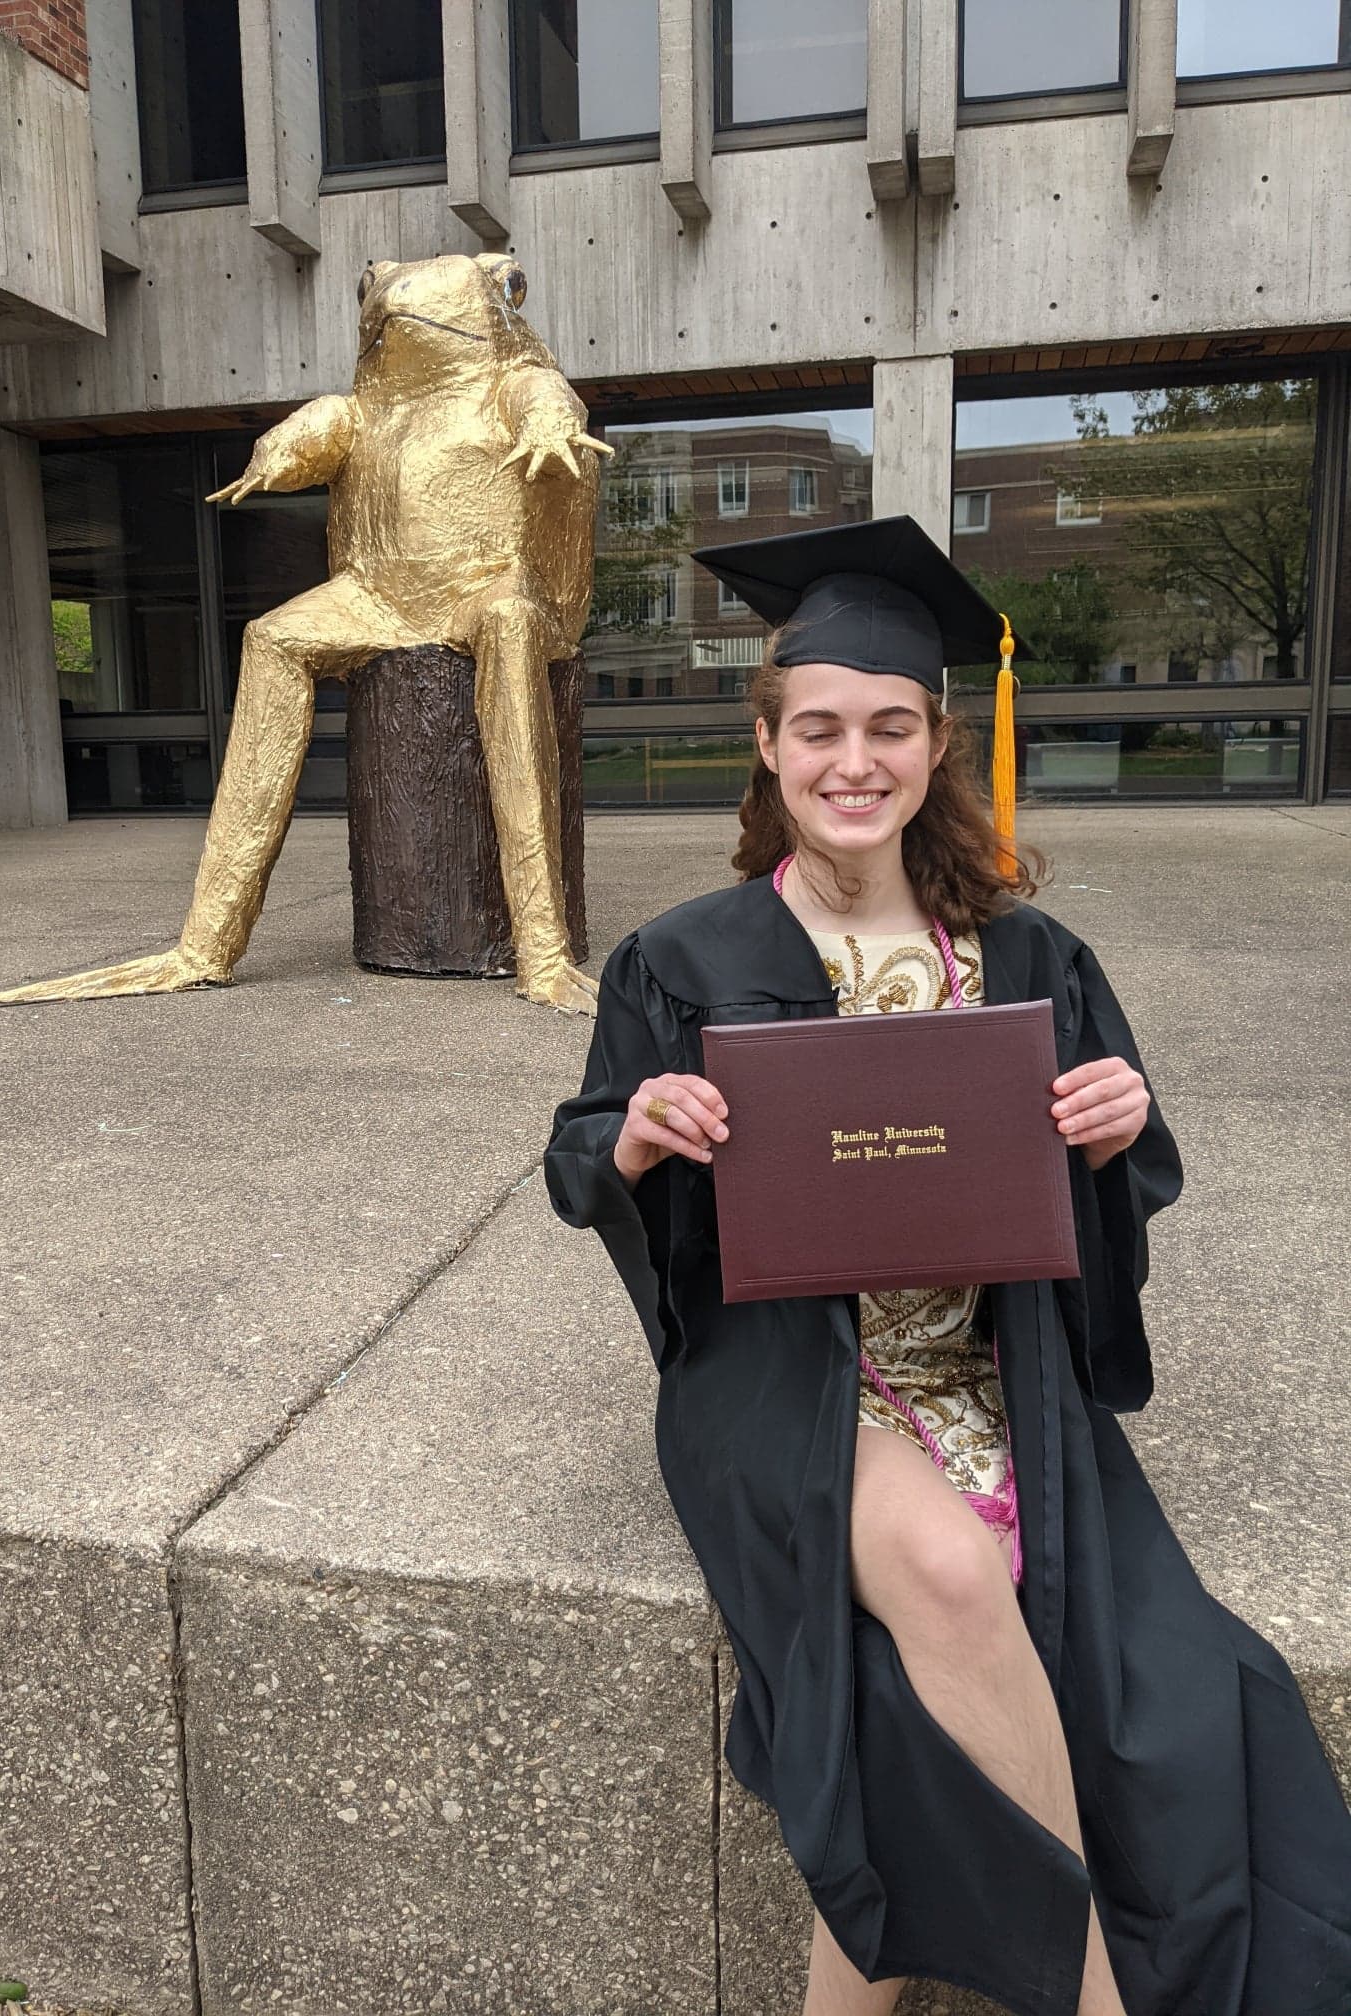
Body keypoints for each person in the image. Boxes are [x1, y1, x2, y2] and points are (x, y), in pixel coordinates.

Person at [543, 517, 1351, 2016]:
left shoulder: (1031, 959)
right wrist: (641, 1134)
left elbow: (1118, 1185)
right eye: (822, 729)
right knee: (942, 1568)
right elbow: (579, 1156)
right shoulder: (684, 959)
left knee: (1165, 1688)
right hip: (786, 1380)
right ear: (772, 748)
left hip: (996, 1371)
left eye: (892, 728)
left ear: (934, 747)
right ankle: (1099, 1984)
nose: (857, 762)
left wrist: (1118, 1135)